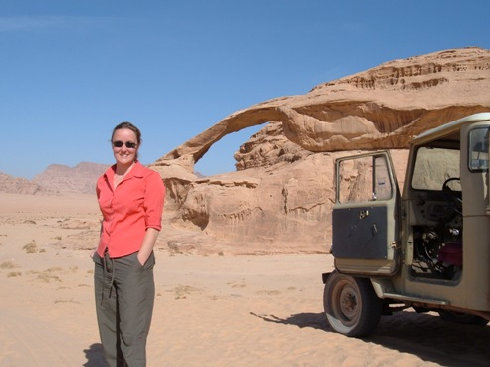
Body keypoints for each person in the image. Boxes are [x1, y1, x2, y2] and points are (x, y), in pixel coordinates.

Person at [92, 121, 165, 367]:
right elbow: (107, 219)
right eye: (118, 143)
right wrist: (99, 249)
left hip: (132, 262)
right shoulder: (103, 179)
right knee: (108, 331)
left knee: (132, 335)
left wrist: (139, 260)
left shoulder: (149, 179)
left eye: (129, 144)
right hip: (104, 262)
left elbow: (153, 224)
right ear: (112, 144)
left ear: (138, 146)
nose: (123, 148)